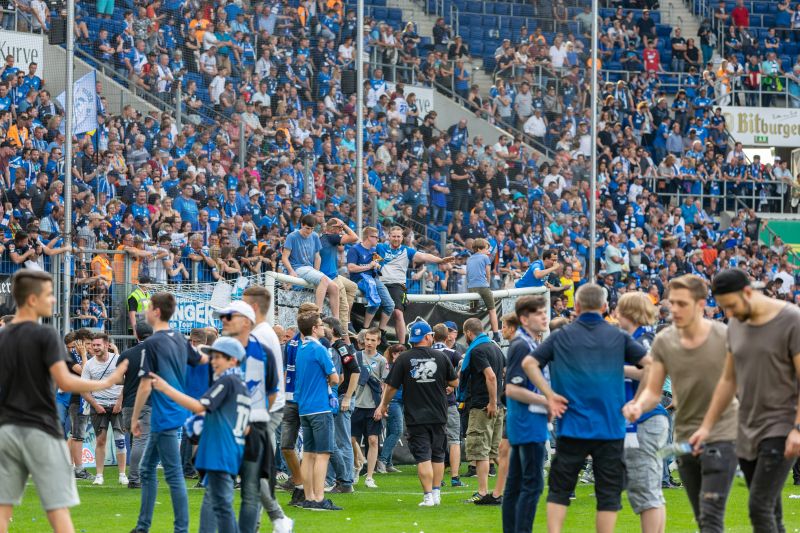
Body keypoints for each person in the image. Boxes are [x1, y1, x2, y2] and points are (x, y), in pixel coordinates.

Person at [0, 269, 126, 533]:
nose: (54, 300)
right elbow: (66, 381)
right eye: (48, 294)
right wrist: (105, 382)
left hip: (7, 430)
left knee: (3, 509)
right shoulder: (46, 335)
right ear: (32, 299)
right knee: (58, 511)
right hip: (40, 429)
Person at [522, 283, 651, 533]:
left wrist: (549, 395)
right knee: (608, 494)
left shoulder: (561, 335)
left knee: (560, 490)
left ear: (577, 306)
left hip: (572, 426)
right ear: (605, 307)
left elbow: (529, 363)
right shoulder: (618, 336)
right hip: (611, 427)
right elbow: (651, 364)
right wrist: (637, 402)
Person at [623, 274, 738, 533]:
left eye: (681, 303)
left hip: (722, 434)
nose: (673, 309)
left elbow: (734, 383)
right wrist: (638, 406)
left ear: (701, 304)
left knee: (711, 517)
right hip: (685, 437)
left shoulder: (725, 337)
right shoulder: (664, 340)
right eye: (671, 303)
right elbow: (653, 390)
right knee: (701, 515)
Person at [689, 269, 800, 532]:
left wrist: (797, 427)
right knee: (771, 511)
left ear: (748, 292)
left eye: (731, 306)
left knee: (759, 506)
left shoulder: (792, 320)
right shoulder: (737, 325)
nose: (728, 314)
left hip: (782, 425)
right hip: (747, 427)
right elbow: (728, 380)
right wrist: (706, 427)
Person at [149, 336, 251, 533]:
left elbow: (199, 406)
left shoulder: (227, 381)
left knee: (220, 506)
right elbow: (246, 427)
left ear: (233, 360)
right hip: (230, 452)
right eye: (212, 357)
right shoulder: (242, 385)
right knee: (218, 504)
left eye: (218, 357)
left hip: (220, 453)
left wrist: (165, 388)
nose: (213, 361)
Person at [130, 292, 206, 533]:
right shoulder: (180, 339)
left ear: (157, 312)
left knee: (173, 475)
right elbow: (200, 360)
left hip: (164, 414)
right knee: (146, 469)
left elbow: (145, 384)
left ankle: (181, 529)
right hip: (175, 411)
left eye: (147, 307)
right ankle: (142, 527)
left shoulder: (152, 343)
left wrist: (134, 417)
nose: (144, 311)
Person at [214, 300, 290, 532]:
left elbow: (271, 390)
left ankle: (270, 521)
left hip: (253, 427)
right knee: (219, 491)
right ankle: (277, 519)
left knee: (250, 486)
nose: (224, 321)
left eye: (230, 316)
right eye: (222, 317)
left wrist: (256, 418)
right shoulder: (219, 349)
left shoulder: (263, 349)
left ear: (246, 321)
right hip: (225, 427)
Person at [375, 317, 458, 507]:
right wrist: (441, 382)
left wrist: (383, 405)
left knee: (423, 457)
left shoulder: (404, 358)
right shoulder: (441, 357)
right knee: (437, 456)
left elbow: (391, 387)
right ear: (428, 337)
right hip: (439, 415)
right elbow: (454, 382)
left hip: (416, 416)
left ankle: (428, 496)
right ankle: (436, 494)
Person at [616, 292, 669, 533]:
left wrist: (636, 402)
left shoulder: (642, 339)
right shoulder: (642, 337)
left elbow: (649, 371)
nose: (616, 314)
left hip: (645, 419)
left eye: (620, 309)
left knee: (645, 491)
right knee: (652, 490)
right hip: (651, 418)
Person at [502, 295, 549, 533]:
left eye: (544, 311)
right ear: (524, 318)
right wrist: (548, 400)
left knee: (517, 483)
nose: (544, 316)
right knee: (532, 484)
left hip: (530, 421)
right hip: (527, 422)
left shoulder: (529, 343)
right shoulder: (521, 345)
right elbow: (512, 388)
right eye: (538, 312)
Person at [294, 311, 341, 511]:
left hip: (304, 408)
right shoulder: (319, 348)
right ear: (314, 328)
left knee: (309, 454)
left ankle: (309, 497)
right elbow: (335, 378)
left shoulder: (300, 349)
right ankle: (319, 498)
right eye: (321, 324)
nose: (324, 328)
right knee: (322, 454)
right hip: (320, 407)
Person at [376, 226, 453, 344]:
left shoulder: (407, 251)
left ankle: (401, 345)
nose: (396, 239)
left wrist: (441, 260)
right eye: (394, 236)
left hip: (397, 285)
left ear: (402, 237)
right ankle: (376, 332)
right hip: (380, 284)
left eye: (398, 236)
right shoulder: (381, 247)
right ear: (389, 237)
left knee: (398, 312)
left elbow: (424, 256)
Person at [460, 317, 505, 505]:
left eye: (465, 335)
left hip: (483, 407)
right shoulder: (496, 347)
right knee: (495, 453)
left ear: (469, 333)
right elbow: (504, 373)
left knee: (481, 452)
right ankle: (507, 489)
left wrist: (492, 402)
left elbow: (492, 376)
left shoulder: (477, 350)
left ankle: (482, 492)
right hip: (498, 407)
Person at [81, 331, 128, 486]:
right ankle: (99, 475)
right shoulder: (89, 364)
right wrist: (95, 405)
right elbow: (83, 389)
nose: (95, 347)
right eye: (93, 345)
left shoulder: (118, 360)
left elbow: (127, 383)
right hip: (98, 405)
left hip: (117, 405)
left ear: (107, 345)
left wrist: (119, 402)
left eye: (98, 345)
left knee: (120, 440)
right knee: (100, 440)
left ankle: (122, 474)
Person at [322, 317, 359, 493]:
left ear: (332, 330)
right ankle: (332, 479)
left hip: (342, 397)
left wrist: (347, 397)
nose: (321, 328)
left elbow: (356, 371)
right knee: (334, 440)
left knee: (342, 441)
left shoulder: (341, 347)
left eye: (324, 326)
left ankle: (346, 481)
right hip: (336, 397)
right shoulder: (330, 348)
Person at [281, 214, 340, 319]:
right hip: (298, 268)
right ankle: (319, 313)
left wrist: (316, 273)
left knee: (335, 287)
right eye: (307, 228)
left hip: (310, 269)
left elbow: (317, 257)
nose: (309, 231)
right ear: (301, 225)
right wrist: (291, 271)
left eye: (312, 229)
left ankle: (336, 319)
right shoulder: (292, 236)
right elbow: (284, 257)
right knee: (325, 280)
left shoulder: (315, 236)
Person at [119, 320, 154, 489]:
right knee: (142, 441)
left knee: (135, 441)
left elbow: (118, 379)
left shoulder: (127, 354)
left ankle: (138, 475)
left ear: (136, 334)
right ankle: (135, 478)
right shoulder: (157, 353)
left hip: (128, 403)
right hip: (147, 402)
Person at [351, 327, 387, 488]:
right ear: (363, 340)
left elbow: (385, 385)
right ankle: (357, 465)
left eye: (373, 340)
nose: (370, 343)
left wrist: (381, 407)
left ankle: (370, 476)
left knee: (373, 440)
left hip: (373, 405)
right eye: (367, 339)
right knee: (351, 439)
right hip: (355, 404)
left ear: (378, 342)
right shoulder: (355, 357)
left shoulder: (382, 361)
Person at [431, 323, 465, 487]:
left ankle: (437, 478)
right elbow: (465, 364)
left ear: (432, 336)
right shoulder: (452, 353)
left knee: (433, 440)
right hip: (449, 404)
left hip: (429, 404)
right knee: (454, 441)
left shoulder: (426, 353)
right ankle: (455, 477)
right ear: (447, 337)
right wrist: (454, 382)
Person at [346, 226, 394, 331]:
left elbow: (378, 264)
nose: (378, 239)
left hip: (373, 280)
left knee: (390, 305)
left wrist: (377, 266)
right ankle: (365, 329)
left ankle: (381, 332)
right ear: (369, 237)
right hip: (360, 280)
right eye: (376, 237)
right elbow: (351, 268)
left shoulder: (374, 250)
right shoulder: (354, 249)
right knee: (375, 302)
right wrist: (369, 266)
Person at [319, 218, 359, 330]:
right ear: (332, 229)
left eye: (342, 228)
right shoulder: (331, 237)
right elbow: (354, 237)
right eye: (339, 228)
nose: (341, 231)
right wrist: (345, 225)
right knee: (344, 306)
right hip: (330, 276)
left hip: (332, 274)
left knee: (352, 287)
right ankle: (343, 331)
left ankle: (347, 320)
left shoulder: (323, 238)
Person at [376, 344, 406, 475]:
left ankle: (388, 463)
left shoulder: (397, 366)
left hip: (399, 402)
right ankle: (382, 461)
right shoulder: (392, 367)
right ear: (395, 354)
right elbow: (386, 386)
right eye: (402, 353)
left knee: (391, 432)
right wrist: (384, 404)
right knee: (397, 431)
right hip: (393, 402)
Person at [466, 238, 501, 342]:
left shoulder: (469, 259)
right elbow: (488, 273)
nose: (488, 251)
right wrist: (488, 284)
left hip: (471, 288)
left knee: (473, 310)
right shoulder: (485, 258)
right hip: (483, 287)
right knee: (492, 309)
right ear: (480, 249)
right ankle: (496, 334)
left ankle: (471, 334)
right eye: (487, 249)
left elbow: (468, 274)